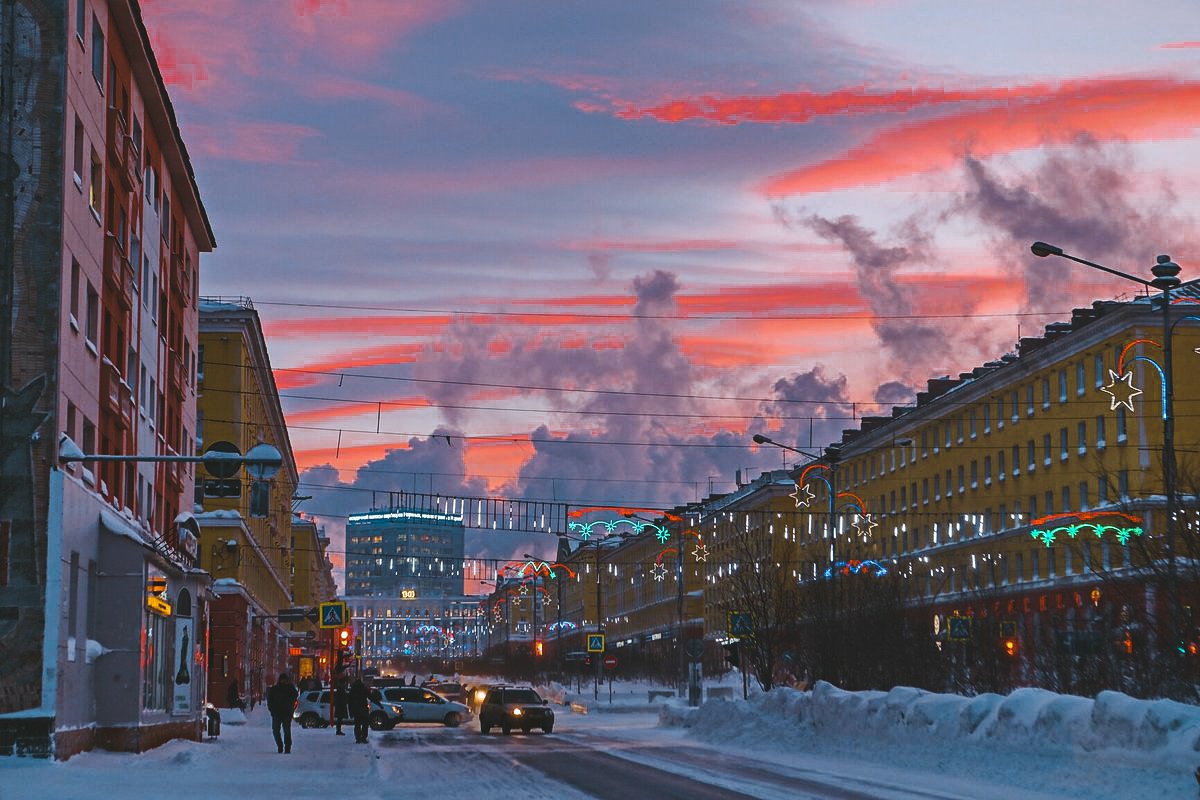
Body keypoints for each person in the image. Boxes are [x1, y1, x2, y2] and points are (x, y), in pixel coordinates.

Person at [266, 673, 299, 754]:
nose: (283, 682)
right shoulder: (275, 689)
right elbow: (269, 701)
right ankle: (280, 745)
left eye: (285, 680)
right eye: (282, 680)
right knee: (276, 731)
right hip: (277, 713)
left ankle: (287, 747)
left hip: (286, 713)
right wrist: (272, 710)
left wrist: (291, 708)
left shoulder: (290, 689)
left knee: (286, 730)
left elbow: (295, 696)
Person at [348, 677, 370, 744]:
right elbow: (371, 696)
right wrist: (379, 704)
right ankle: (363, 737)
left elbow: (349, 701)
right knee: (365, 724)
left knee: (357, 725)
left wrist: (351, 711)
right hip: (363, 709)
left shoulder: (353, 690)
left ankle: (358, 738)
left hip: (356, 710)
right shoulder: (364, 689)